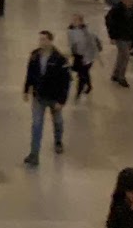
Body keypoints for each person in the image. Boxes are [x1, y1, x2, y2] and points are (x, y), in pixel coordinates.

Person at [23, 31, 70, 167]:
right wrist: (26, 89)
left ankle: (58, 140)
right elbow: (30, 73)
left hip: (54, 97)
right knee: (37, 124)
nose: (41, 42)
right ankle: (34, 154)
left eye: (44, 39)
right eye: (40, 39)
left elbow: (66, 81)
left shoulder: (60, 59)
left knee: (58, 121)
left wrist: (62, 101)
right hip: (39, 96)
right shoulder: (34, 55)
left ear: (50, 41)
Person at [66, 13, 102, 100]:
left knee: (81, 74)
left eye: (76, 20)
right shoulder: (70, 30)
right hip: (77, 55)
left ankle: (78, 92)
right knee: (83, 72)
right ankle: (89, 85)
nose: (73, 21)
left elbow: (93, 44)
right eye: (73, 19)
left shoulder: (87, 32)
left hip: (87, 56)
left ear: (81, 21)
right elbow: (72, 43)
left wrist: (97, 57)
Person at [104, 0, 133, 88]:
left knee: (121, 56)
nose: (131, 3)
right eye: (129, 1)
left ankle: (116, 74)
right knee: (126, 56)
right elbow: (109, 21)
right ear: (124, 0)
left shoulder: (130, 9)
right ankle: (121, 77)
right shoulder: (117, 9)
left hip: (128, 36)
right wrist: (112, 36)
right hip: (120, 36)